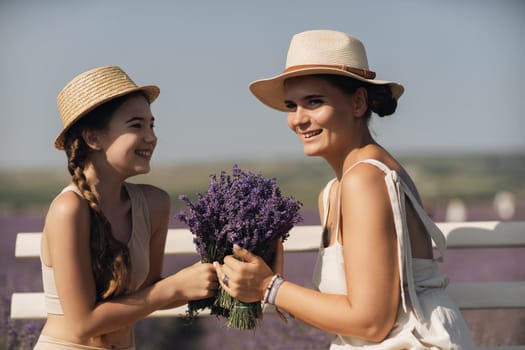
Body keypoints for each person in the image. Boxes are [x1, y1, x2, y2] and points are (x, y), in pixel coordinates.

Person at [214, 29, 475, 349]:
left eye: (314, 102)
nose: (298, 119)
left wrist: (269, 286)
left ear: (358, 102)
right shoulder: (335, 190)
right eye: (291, 105)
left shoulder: (364, 180)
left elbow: (371, 322)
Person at [34, 65, 217, 349]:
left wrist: (218, 274)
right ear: (93, 138)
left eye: (151, 125)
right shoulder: (69, 210)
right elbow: (83, 325)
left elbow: (150, 292)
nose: (151, 137)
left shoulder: (154, 204)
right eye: (136, 125)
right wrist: (176, 286)